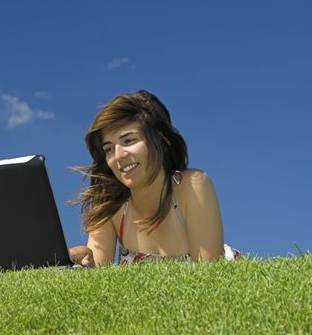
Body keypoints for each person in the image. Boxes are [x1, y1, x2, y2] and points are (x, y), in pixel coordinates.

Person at [69, 89, 240, 267]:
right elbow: (96, 280)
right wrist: (83, 261)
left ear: (161, 141)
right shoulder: (109, 204)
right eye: (109, 149)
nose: (118, 156)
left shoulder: (192, 185)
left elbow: (209, 278)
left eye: (129, 141)